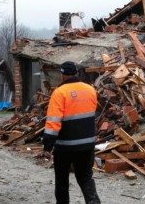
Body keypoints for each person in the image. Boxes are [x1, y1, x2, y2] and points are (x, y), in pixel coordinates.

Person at [43, 61, 101, 204]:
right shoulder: (90, 90)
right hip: (87, 144)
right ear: (76, 73)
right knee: (86, 177)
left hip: (65, 147)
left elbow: (53, 123)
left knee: (62, 180)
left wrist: (47, 145)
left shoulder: (59, 92)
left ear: (62, 75)